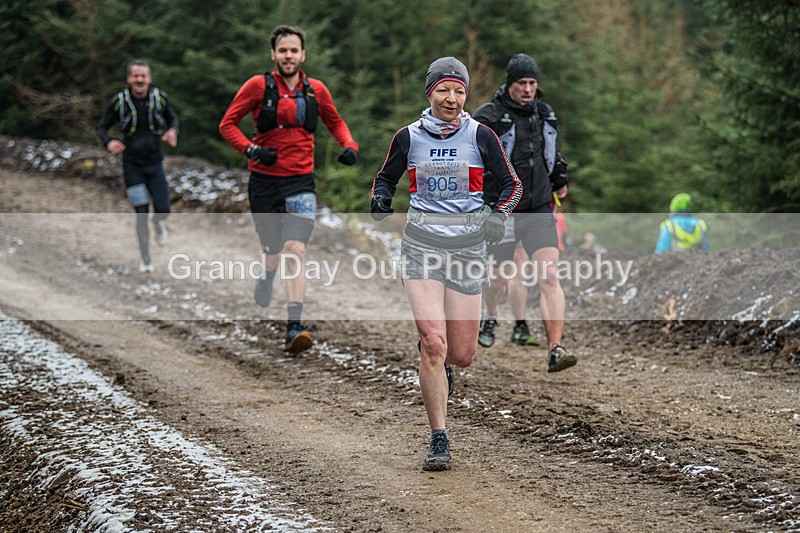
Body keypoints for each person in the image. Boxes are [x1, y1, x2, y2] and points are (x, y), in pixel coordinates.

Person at [371, 57, 521, 471]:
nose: (451, 98)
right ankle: (439, 438)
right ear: (430, 94)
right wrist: (381, 198)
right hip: (421, 245)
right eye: (443, 90)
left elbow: (512, 185)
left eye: (458, 91)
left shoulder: (481, 135)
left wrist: (497, 215)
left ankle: (437, 360)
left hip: (468, 249)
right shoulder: (408, 137)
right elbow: (386, 176)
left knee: (463, 353)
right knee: (435, 344)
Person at [219, 25, 358, 354]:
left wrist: (349, 145)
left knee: (295, 249)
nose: (288, 56)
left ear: (303, 54)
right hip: (265, 181)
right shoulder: (257, 85)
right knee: (273, 251)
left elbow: (335, 121)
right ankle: (267, 276)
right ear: (273, 55)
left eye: (294, 50)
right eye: (282, 51)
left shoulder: (316, 90)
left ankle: (294, 325)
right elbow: (227, 124)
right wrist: (251, 150)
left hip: (300, 181)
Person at [473, 53, 576, 373]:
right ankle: (490, 316)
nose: (528, 89)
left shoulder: (545, 113)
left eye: (533, 83)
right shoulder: (489, 114)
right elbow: (470, 153)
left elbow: (552, 150)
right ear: (510, 83)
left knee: (548, 275)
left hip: (539, 208)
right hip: (503, 209)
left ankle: (555, 347)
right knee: (500, 278)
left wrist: (560, 179)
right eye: (522, 83)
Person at [96, 59, 179, 273]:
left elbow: (173, 119)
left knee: (163, 208)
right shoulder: (119, 102)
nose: (140, 80)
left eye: (143, 76)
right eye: (136, 76)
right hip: (132, 166)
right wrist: (109, 141)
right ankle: (146, 259)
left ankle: (159, 222)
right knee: (141, 213)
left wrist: (172, 132)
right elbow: (102, 127)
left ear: (149, 79)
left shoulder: (159, 98)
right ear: (129, 79)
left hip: (154, 164)